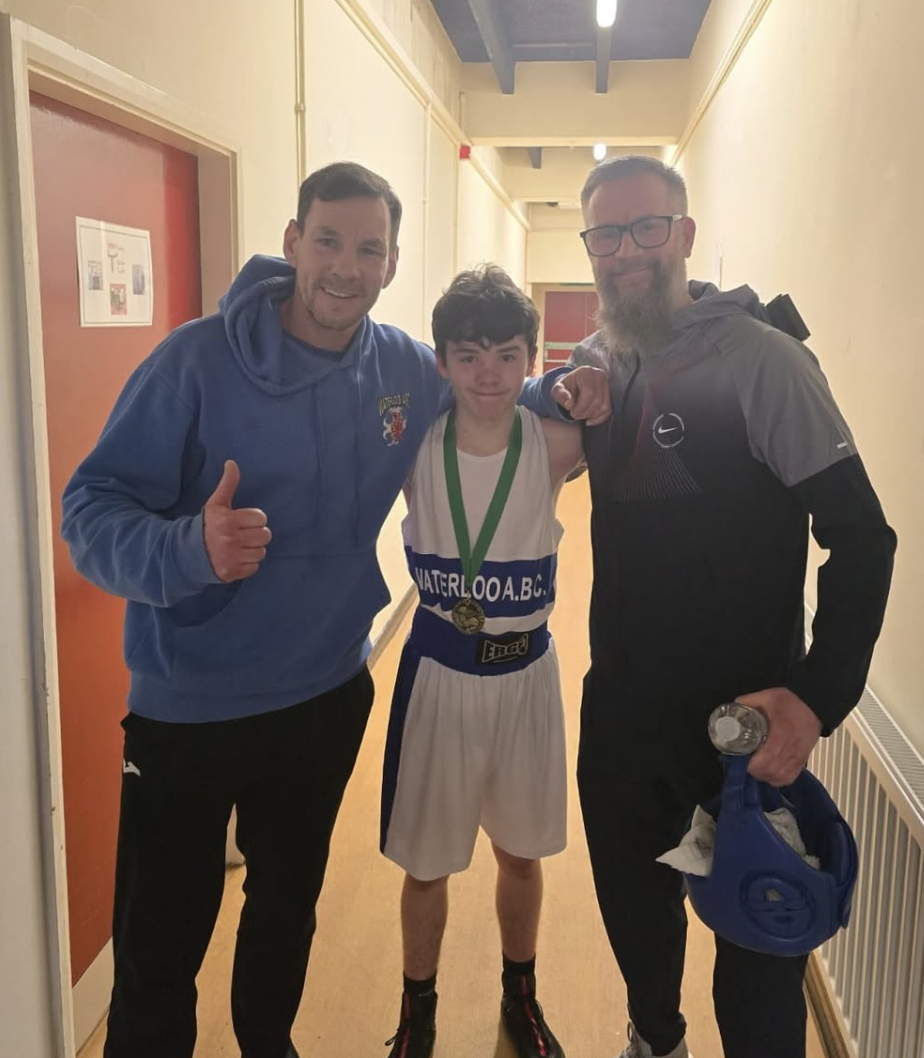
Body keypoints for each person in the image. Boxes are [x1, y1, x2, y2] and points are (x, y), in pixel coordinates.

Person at [60, 162, 608, 1058]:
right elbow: (89, 512)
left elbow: (489, 391)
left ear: (391, 264)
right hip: (189, 707)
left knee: (284, 915)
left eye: (369, 248)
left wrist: (567, 386)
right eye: (328, 240)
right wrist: (187, 551)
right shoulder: (193, 360)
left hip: (321, 696)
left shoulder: (398, 365)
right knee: (161, 946)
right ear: (291, 242)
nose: (345, 266)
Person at [569, 155, 896, 1058]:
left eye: (645, 228)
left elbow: (863, 538)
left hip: (742, 733)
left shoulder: (764, 361)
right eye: (606, 234)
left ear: (684, 235)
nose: (626, 251)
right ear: (589, 248)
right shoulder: (601, 358)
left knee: (757, 982)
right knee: (639, 933)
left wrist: (817, 697)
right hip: (623, 721)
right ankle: (655, 1036)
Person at [379, 266, 583, 1058]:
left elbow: (623, 389)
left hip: (526, 673)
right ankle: (417, 1010)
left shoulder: (559, 444)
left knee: (520, 853)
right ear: (442, 363)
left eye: (506, 354)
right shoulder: (409, 451)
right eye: (468, 355)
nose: (488, 373)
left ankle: (520, 997)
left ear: (532, 359)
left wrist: (581, 379)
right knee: (425, 865)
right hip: (438, 672)